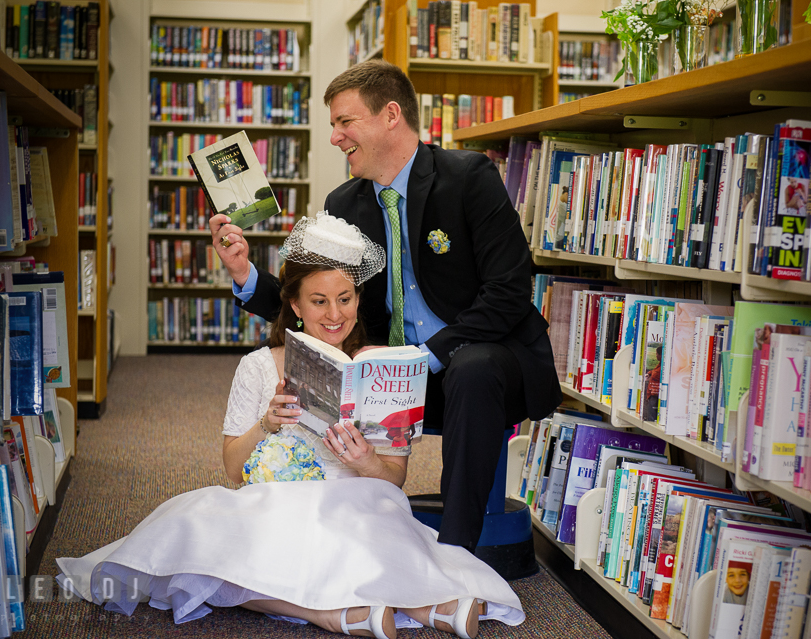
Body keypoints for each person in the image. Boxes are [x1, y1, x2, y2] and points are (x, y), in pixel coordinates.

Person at [56, 214, 525, 639]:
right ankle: (334, 613)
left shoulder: (383, 370)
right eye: (318, 301)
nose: (334, 314)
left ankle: (421, 606)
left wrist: (364, 460)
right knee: (204, 541)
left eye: (345, 299)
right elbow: (233, 471)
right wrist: (266, 424)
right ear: (295, 306)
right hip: (276, 501)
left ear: (359, 300)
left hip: (357, 500)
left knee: (362, 534)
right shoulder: (259, 366)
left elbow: (395, 480)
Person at [211, 59, 562, 552]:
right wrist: (245, 273)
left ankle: (456, 553)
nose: (335, 137)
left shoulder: (467, 178)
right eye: (333, 124)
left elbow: (508, 291)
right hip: (383, 381)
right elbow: (315, 298)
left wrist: (427, 357)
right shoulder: (344, 203)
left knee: (473, 368)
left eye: (344, 122)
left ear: (390, 115)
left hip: (484, 367)